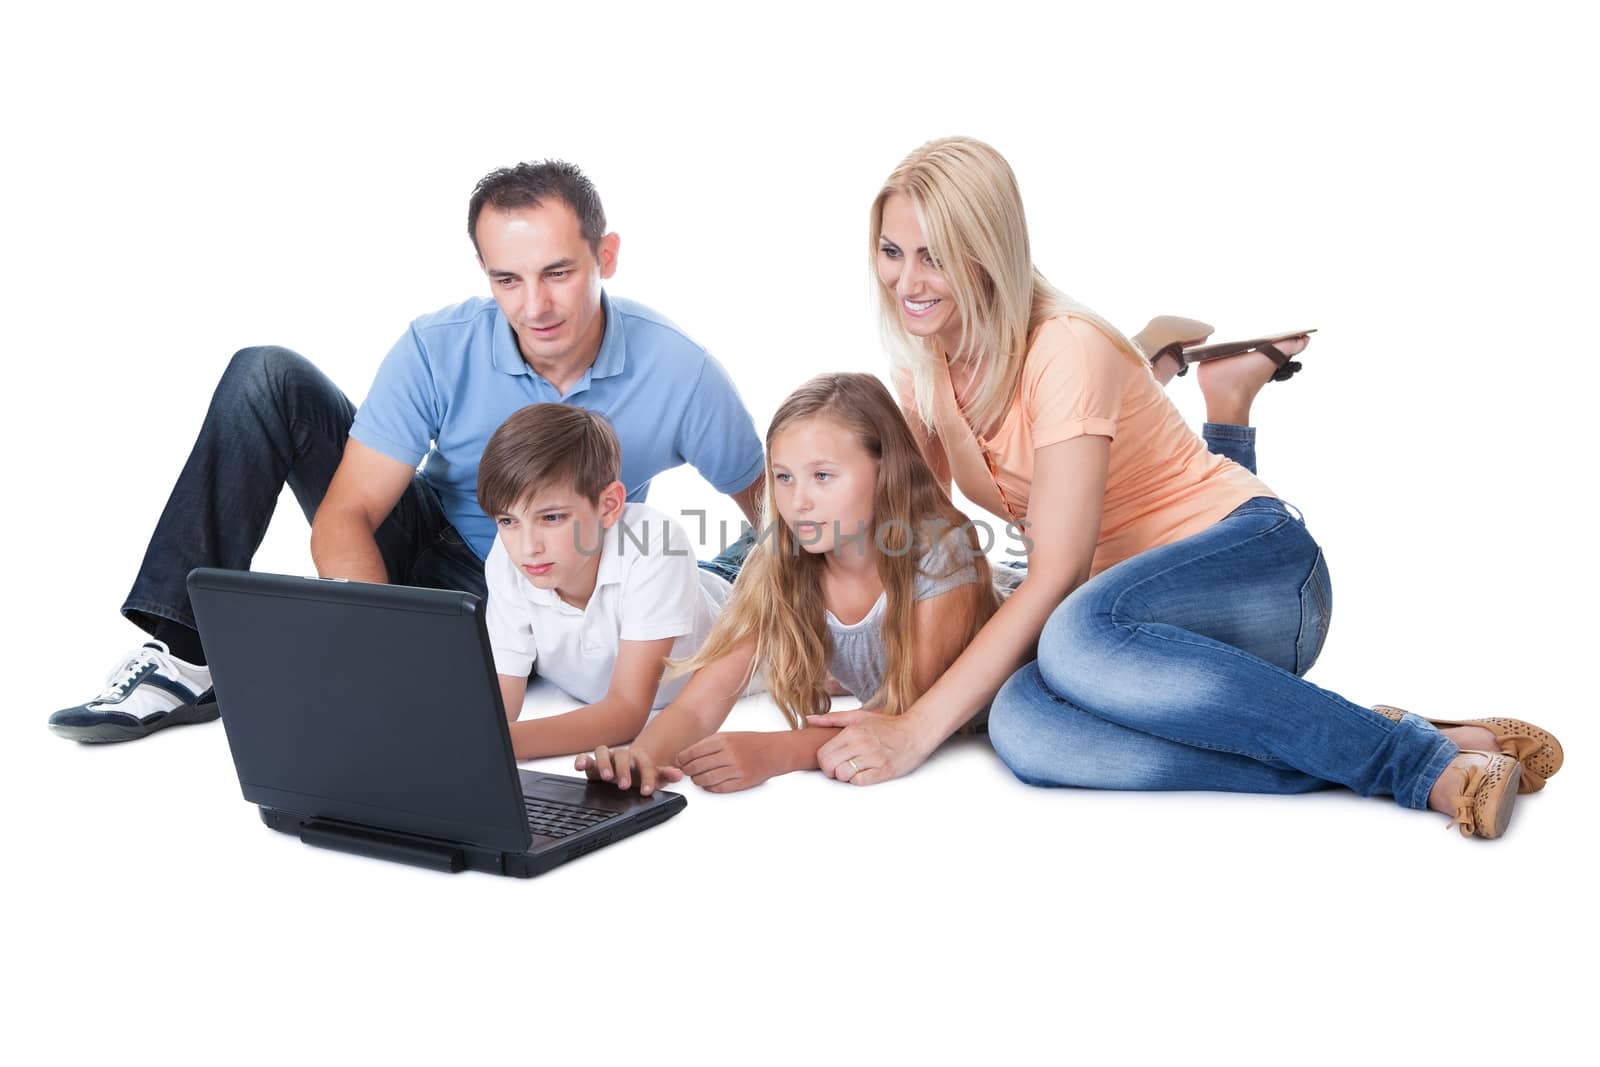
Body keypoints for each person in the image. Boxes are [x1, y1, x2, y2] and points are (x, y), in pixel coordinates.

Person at [807, 136, 1563, 840]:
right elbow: (928, 539)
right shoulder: (923, 362)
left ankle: (1421, 768)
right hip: (1139, 643)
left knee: (1069, 630)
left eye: (934, 257)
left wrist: (913, 731)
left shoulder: (1064, 347)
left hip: (1260, 572)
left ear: (989, 254)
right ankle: (1376, 733)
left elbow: (1059, 576)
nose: (907, 281)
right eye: (891, 251)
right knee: (1022, 725)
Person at [50, 160, 765, 744]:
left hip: (546, 579)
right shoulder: (437, 345)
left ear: (604, 255)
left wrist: (806, 607)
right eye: (507, 280)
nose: (534, 306)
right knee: (266, 373)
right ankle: (180, 658)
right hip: (435, 548)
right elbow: (348, 512)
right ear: (483, 271)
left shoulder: (678, 369)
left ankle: (711, 573)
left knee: (724, 563)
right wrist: (381, 641)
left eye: (558, 272)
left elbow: (773, 506)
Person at [574, 373, 1009, 795]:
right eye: (783, 477)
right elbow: (699, 701)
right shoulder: (784, 557)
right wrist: (641, 757)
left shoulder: (940, 552)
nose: (797, 502)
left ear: (884, 469)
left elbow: (905, 712)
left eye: (822, 476)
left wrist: (775, 751)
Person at [478, 403, 748, 759]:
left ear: (608, 506)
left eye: (552, 517)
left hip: (739, 601)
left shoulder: (656, 540)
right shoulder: (509, 556)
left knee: (778, 548)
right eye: (508, 520)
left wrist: (491, 745)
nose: (528, 548)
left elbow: (627, 711)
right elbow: (499, 701)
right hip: (682, 581)